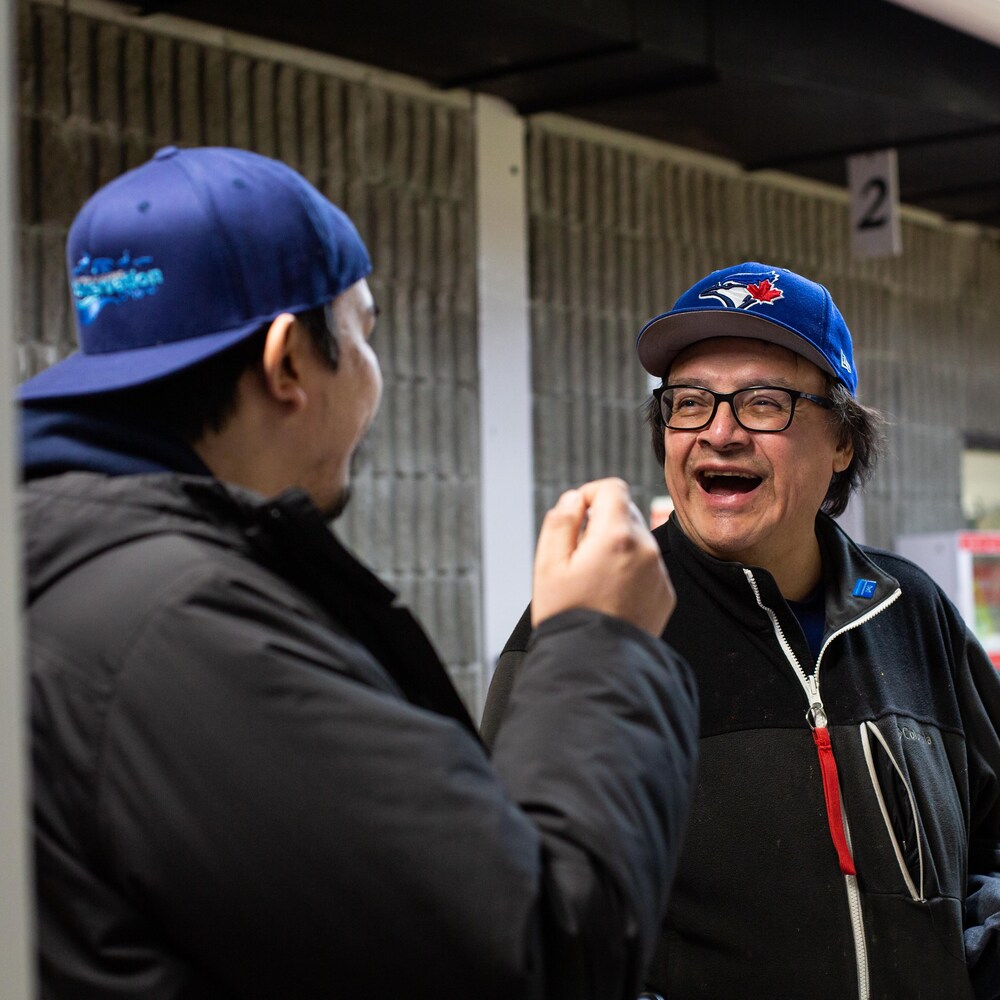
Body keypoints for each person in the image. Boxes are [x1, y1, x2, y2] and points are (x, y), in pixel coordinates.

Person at [19, 145, 699, 999]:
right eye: (364, 332)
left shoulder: (62, 571)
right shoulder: (184, 632)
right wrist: (602, 648)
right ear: (289, 363)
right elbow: (535, 955)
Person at [483, 262, 1000, 1000]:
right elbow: (522, 914)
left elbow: (989, 842)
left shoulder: (909, 611)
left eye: (764, 403)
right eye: (689, 403)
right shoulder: (598, 624)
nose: (718, 433)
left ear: (843, 442)